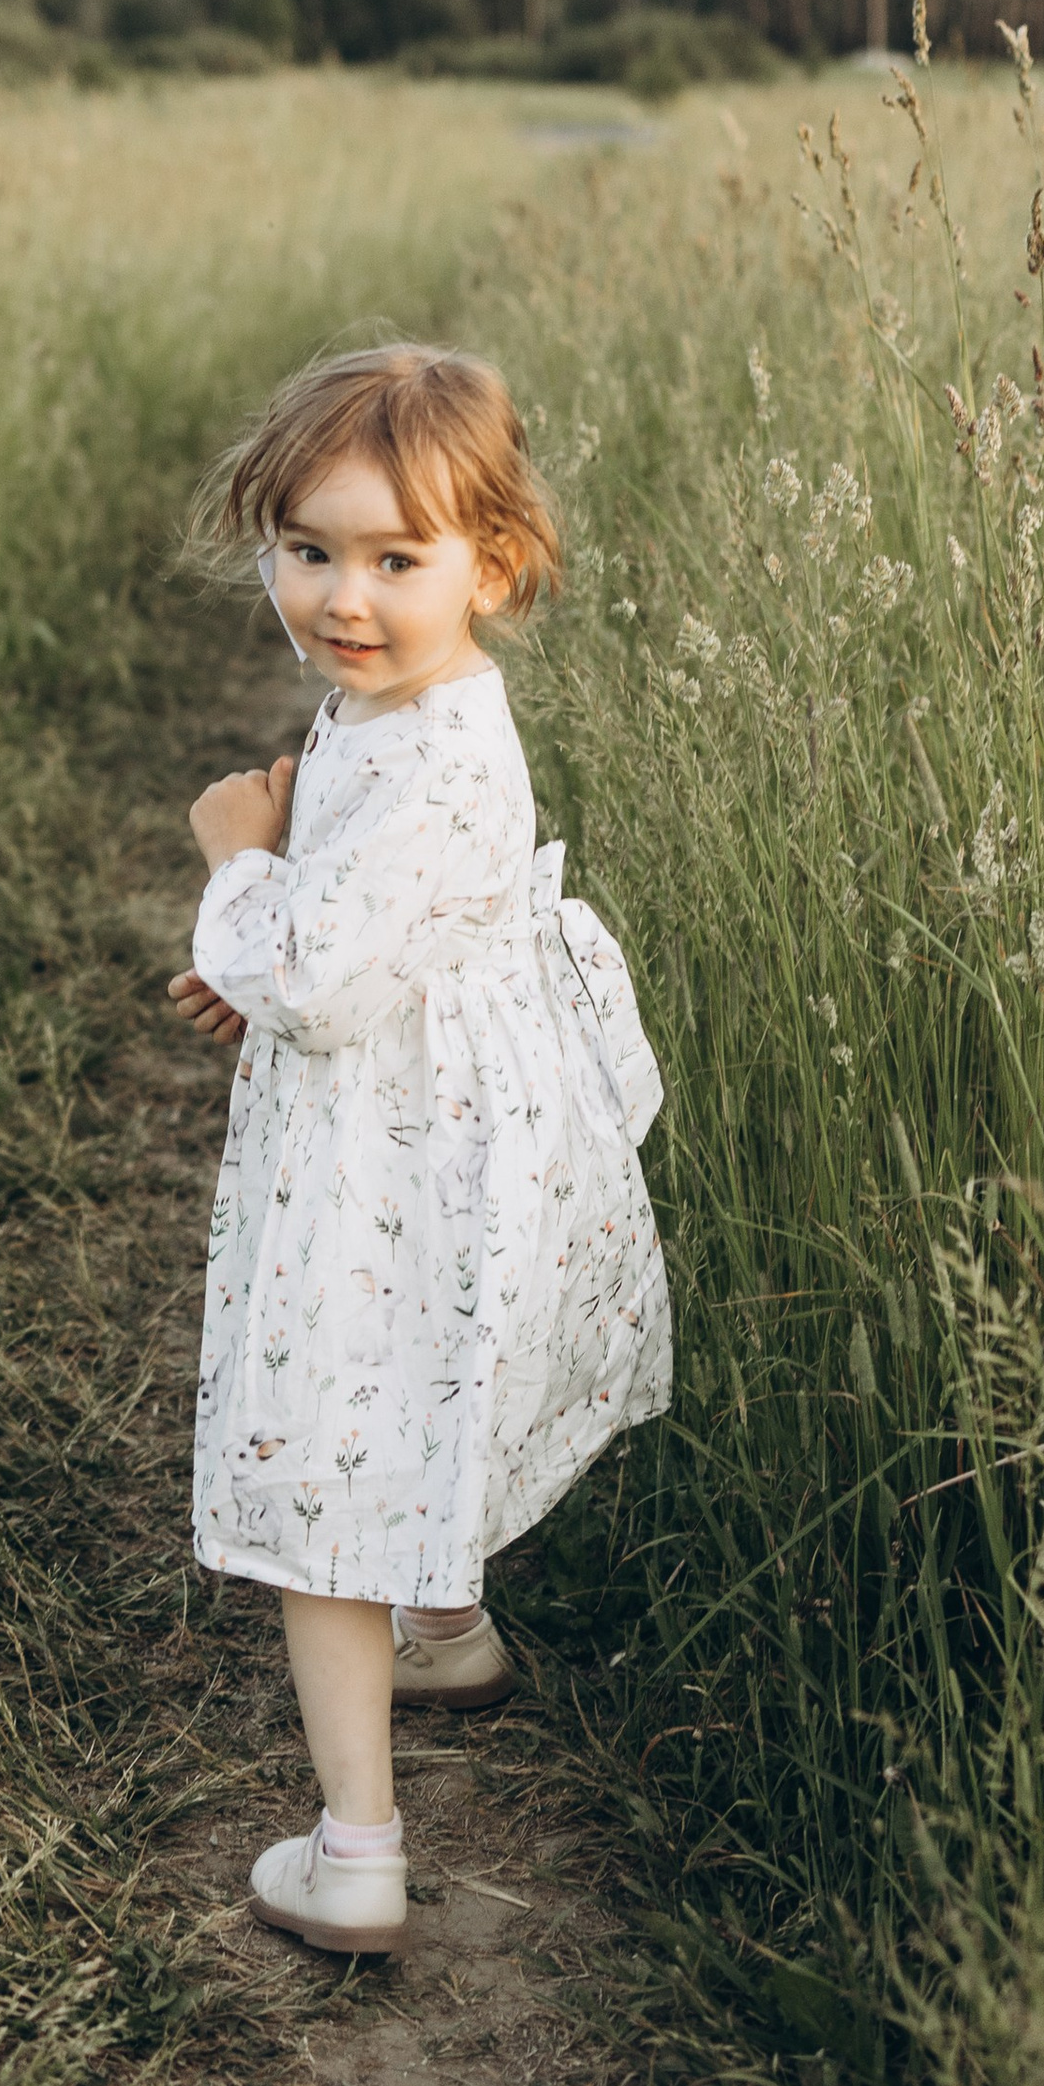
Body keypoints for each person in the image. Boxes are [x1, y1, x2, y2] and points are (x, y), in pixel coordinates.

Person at [167, 343, 670, 1956]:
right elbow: (369, 939)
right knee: (426, 1377)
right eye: (308, 550)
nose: (343, 598)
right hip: (431, 1123)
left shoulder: (431, 743)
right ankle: (445, 1628)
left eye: (398, 560)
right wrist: (281, 939)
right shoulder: (412, 706)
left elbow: (316, 975)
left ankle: (356, 1849)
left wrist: (240, 870)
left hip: (392, 1157)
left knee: (331, 1451)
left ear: (495, 566)